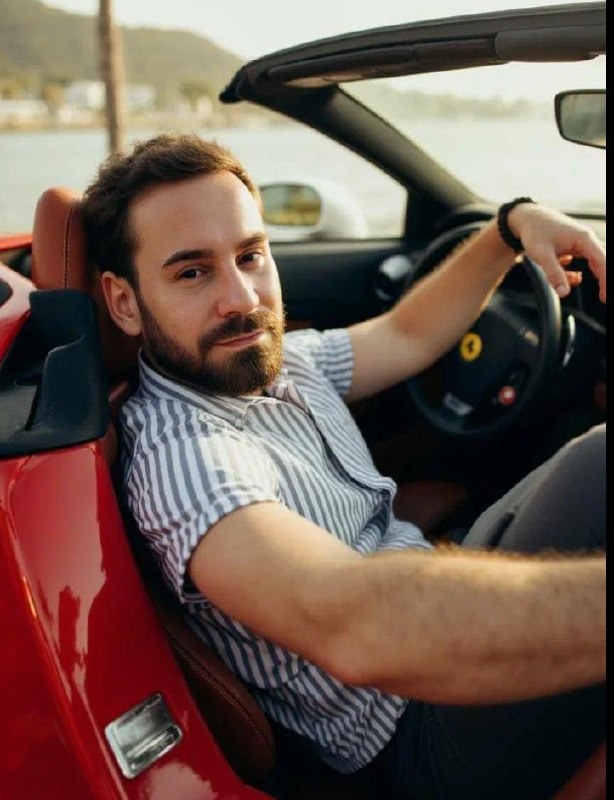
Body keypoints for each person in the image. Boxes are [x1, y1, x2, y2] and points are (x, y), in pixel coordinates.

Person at [81, 133, 605, 800]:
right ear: (125, 302)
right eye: (192, 273)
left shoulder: (277, 363)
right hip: (416, 733)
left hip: (428, 598)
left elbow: (408, 333)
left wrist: (510, 228)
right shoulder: (184, 460)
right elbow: (355, 625)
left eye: (250, 256)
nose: (241, 298)